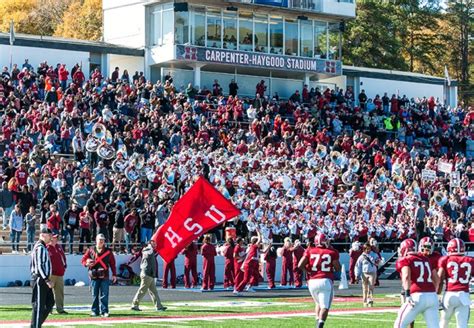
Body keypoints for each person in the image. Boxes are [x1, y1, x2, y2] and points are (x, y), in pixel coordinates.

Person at [298, 233, 341, 328]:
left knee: (318, 303)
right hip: (325, 280)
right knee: (325, 307)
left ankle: (317, 322)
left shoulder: (309, 251)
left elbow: (300, 265)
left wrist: (308, 271)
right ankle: (320, 326)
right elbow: (338, 268)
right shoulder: (331, 252)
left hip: (312, 281)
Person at [393, 238, 439, 328]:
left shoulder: (405, 259)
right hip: (432, 296)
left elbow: (406, 276)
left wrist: (407, 294)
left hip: (416, 296)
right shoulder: (426, 259)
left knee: (399, 325)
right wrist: (434, 293)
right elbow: (436, 279)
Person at [437, 238, 474, 328]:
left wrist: (437, 293)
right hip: (464, 295)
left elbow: (439, 278)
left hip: (449, 294)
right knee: (462, 325)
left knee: (443, 322)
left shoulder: (445, 259)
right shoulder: (470, 260)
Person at [81, 234, 117, 317]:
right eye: (100, 239)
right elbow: (83, 260)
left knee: (104, 295)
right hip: (94, 276)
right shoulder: (90, 250)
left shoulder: (108, 251)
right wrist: (86, 263)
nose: (101, 241)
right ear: (96, 240)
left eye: (103, 240)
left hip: (105, 276)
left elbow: (112, 264)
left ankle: (104, 311)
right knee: (94, 295)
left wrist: (114, 274)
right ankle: (95, 311)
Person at [131, 240, 167, 311]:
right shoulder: (147, 249)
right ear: (150, 243)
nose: (155, 244)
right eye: (153, 243)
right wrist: (150, 246)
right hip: (147, 274)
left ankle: (159, 306)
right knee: (142, 290)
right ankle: (134, 305)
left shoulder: (150, 250)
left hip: (150, 274)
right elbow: (148, 252)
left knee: (154, 292)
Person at [30, 228, 55, 328]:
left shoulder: (43, 247)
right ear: (44, 235)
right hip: (40, 279)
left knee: (50, 302)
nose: (51, 238)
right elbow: (39, 265)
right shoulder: (40, 247)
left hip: (42, 279)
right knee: (39, 306)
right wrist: (47, 280)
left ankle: (36, 324)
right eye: (50, 235)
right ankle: (35, 325)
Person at [47, 233, 67, 314]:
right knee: (49, 293)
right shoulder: (46, 247)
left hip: (60, 273)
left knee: (60, 293)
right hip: (51, 274)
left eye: (56, 237)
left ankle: (60, 309)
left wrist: (64, 266)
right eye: (54, 237)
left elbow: (63, 258)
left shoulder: (59, 247)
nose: (56, 239)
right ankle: (49, 309)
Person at [355, 243, 379, 307]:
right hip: (364, 273)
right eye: (366, 249)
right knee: (364, 288)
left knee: (371, 286)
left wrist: (376, 261)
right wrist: (357, 275)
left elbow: (377, 262)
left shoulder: (374, 254)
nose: (367, 250)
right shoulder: (361, 256)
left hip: (372, 273)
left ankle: (370, 299)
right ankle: (364, 301)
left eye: (368, 249)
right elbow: (358, 266)